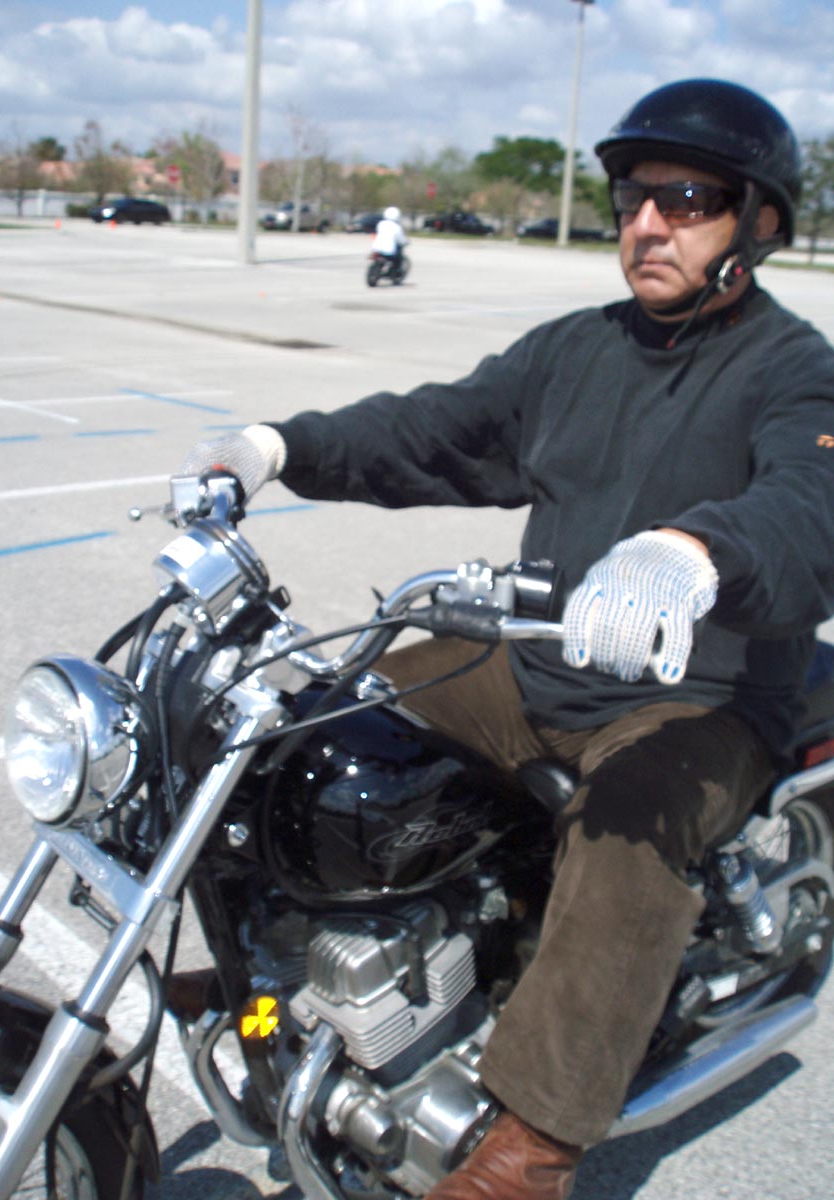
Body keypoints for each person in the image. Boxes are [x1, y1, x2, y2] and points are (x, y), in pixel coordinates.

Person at [179, 79, 834, 1198]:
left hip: (702, 694)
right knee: (311, 729)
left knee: (627, 831)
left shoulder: (795, 368)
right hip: (540, 663)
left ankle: (531, 1150)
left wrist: (694, 552)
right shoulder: (575, 351)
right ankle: (281, 964)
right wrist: (278, 447)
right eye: (634, 197)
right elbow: (435, 428)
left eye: (687, 199)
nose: (648, 223)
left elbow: (809, 501)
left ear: (759, 221)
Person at [372, 203, 409, 272]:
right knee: (398, 257)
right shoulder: (397, 227)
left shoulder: (381, 224)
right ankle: (395, 271)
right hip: (389, 251)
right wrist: (406, 242)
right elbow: (401, 239)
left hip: (376, 248)